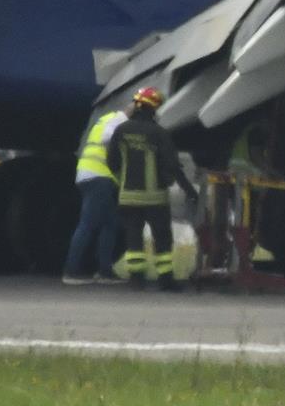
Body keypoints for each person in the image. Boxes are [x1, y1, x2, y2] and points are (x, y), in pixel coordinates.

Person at [109, 87, 195, 291]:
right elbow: (172, 165)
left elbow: (112, 162)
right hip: (155, 197)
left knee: (133, 237)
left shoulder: (121, 131)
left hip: (128, 197)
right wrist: (188, 189)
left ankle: (136, 279)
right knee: (162, 240)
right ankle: (166, 280)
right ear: (153, 109)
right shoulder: (159, 133)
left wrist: (122, 183)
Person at [63, 101, 127, 284]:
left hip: (92, 175)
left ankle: (105, 271)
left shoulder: (108, 118)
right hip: (99, 177)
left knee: (110, 224)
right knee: (88, 225)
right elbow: (108, 139)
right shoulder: (120, 121)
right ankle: (71, 271)